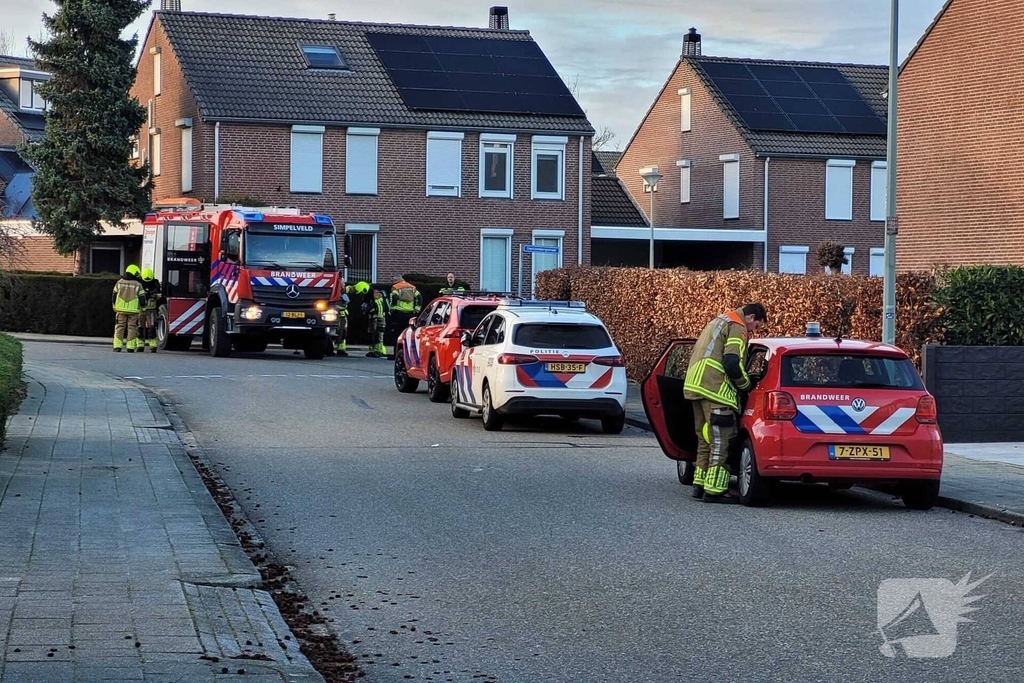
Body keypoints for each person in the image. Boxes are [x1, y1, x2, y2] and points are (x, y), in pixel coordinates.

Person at [683, 302, 766, 503]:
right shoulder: (738, 327)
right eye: (756, 327)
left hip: (695, 386)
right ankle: (715, 491)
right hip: (716, 390)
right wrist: (746, 384)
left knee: (705, 439)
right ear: (751, 318)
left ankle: (700, 484)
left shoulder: (720, 320)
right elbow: (731, 362)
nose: (753, 331)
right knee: (723, 441)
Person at [112, 265, 147, 353]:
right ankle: (130, 347)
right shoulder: (138, 284)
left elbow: (114, 295)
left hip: (120, 309)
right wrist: (143, 307)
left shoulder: (119, 282)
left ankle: (117, 346)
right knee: (132, 328)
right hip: (133, 311)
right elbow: (142, 298)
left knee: (119, 327)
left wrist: (114, 305)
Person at [138, 267, 162, 353]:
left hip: (151, 309)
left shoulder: (155, 283)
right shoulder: (139, 283)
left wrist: (154, 295)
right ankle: (140, 344)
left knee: (151, 327)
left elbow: (159, 295)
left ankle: (153, 345)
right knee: (140, 326)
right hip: (141, 309)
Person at [362, 288, 389, 358]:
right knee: (373, 334)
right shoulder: (375, 298)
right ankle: (374, 350)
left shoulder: (374, 298)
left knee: (378, 334)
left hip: (378, 318)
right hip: (375, 318)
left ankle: (377, 350)